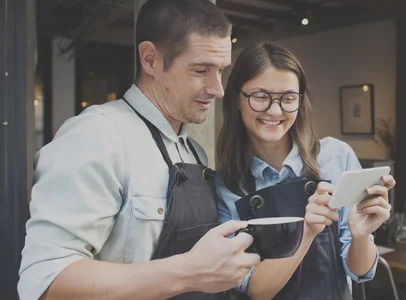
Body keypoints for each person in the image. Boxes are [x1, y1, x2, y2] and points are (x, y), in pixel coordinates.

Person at [18, 1, 260, 299]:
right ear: (150, 60)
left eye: (221, 71)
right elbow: (45, 283)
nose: (218, 88)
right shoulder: (98, 135)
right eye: (201, 70)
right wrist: (188, 272)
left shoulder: (194, 152)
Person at [215, 41, 396, 299]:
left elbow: (360, 270)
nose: (275, 111)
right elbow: (255, 289)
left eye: (288, 98)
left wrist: (360, 236)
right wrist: (307, 232)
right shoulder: (228, 185)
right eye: (260, 97)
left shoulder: (336, 156)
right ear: (237, 98)